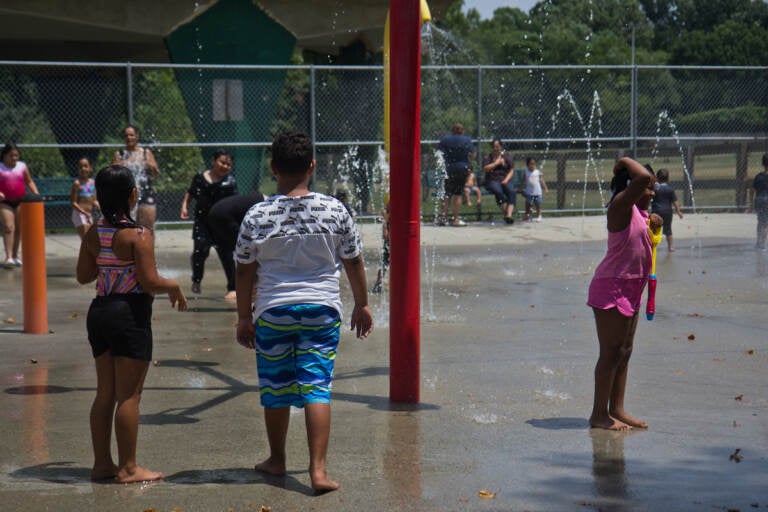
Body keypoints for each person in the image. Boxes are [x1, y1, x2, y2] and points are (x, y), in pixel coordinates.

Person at [235, 131, 373, 492]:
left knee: (276, 386)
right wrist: (362, 304)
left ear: (273, 168)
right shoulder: (334, 209)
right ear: (312, 166)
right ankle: (319, 471)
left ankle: (277, 459)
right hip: (321, 310)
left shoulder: (258, 214)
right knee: (316, 387)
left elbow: (244, 269)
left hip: (273, 311)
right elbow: (353, 261)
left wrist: (243, 316)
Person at [76, 165, 187, 483]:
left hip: (99, 313)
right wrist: (173, 285)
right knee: (130, 396)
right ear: (133, 196)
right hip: (129, 315)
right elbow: (150, 282)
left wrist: (107, 265)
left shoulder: (95, 233)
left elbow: (84, 276)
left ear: (98, 197)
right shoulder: (139, 235)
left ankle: (101, 465)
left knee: (104, 394)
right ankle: (128, 468)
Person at [587, 158, 662, 431]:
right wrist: (623, 161)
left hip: (632, 289)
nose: (652, 192)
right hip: (611, 287)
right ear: (631, 186)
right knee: (610, 353)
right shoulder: (620, 207)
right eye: (649, 188)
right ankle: (598, 414)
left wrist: (654, 226)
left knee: (625, 351)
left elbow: (640, 244)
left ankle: (616, 408)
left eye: (654, 188)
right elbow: (641, 178)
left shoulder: (640, 214)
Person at [180, 149, 238, 297]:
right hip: (203, 222)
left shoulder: (230, 183)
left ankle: (233, 288)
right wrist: (185, 206)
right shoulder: (200, 177)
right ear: (213, 161)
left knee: (227, 256)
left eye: (228, 164)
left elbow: (235, 203)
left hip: (223, 225)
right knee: (200, 251)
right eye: (222, 162)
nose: (225, 166)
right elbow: (191, 193)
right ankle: (197, 279)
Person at [205, 191, 266, 301]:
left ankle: (234, 289)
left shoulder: (258, 199)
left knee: (227, 252)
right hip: (223, 216)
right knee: (248, 252)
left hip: (214, 213)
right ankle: (250, 291)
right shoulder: (267, 205)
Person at [0, 143, 39, 268]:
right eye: (11, 155)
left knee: (18, 228)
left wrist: (36, 194)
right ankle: (9, 256)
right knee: (8, 226)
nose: (14, 158)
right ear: (5, 156)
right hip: (4, 202)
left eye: (16, 155)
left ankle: (15, 256)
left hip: (20, 201)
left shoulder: (22, 167)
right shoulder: (0, 167)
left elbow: (29, 181)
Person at [112, 125, 159, 229]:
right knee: (126, 228)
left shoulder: (146, 153)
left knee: (147, 228)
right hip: (125, 195)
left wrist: (150, 166)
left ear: (137, 136)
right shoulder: (119, 154)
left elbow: (155, 174)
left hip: (144, 192)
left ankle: (148, 245)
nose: (129, 138)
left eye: (131, 135)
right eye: (126, 135)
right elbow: (111, 176)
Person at [438, 123, 475, 226]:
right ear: (462, 131)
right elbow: (472, 155)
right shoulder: (466, 140)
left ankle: (443, 218)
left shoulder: (445, 139)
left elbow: (439, 153)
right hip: (461, 168)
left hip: (448, 168)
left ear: (452, 130)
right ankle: (456, 219)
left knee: (447, 194)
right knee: (457, 194)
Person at [481, 139, 520, 224]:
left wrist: (506, 180)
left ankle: (508, 215)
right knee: (498, 191)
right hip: (492, 180)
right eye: (494, 147)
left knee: (512, 192)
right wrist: (496, 163)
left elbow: (511, 170)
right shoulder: (488, 157)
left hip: (504, 180)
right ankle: (507, 214)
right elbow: (485, 169)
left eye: (497, 146)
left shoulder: (506, 157)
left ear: (501, 147)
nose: (496, 148)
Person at [651, 168, 684, 252]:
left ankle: (652, 246)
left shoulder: (655, 189)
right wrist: (678, 211)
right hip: (667, 212)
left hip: (656, 211)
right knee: (668, 230)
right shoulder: (670, 189)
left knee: (653, 229)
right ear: (668, 179)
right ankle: (671, 247)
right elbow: (675, 202)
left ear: (657, 178)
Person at [70, 156, 100, 240]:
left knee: (90, 239)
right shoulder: (77, 183)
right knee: (86, 238)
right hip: (79, 213)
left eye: (86, 166)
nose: (83, 169)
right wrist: (84, 213)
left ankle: (88, 253)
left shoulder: (93, 183)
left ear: (90, 168)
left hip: (88, 214)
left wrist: (99, 206)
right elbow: (73, 202)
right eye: (80, 167)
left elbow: (94, 200)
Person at [748, 154, 768, 250]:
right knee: (765, 224)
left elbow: (751, 190)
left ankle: (759, 242)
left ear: (762, 164)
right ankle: (763, 245)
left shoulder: (758, 176)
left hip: (759, 200)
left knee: (761, 222)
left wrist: (751, 204)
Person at [524, 157, 548, 222]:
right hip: (529, 192)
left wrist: (545, 188)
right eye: (531, 164)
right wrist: (521, 189)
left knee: (538, 205)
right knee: (528, 205)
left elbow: (542, 180)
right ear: (527, 165)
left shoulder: (537, 172)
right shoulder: (526, 172)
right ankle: (529, 216)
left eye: (534, 164)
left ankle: (539, 216)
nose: (532, 165)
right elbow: (523, 181)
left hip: (537, 192)